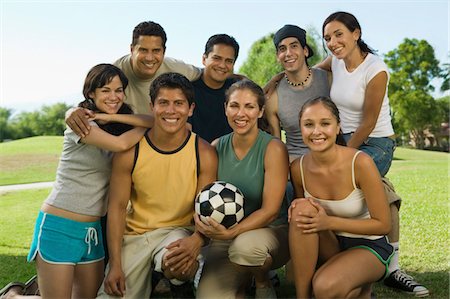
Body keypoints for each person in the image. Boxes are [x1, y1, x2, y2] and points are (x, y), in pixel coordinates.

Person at [8, 64, 152, 299]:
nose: (113, 96)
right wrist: (143, 127)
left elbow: (153, 119)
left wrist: (110, 115)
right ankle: (14, 296)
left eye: (119, 90)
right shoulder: (80, 123)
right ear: (91, 93)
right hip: (59, 225)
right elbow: (122, 144)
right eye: (105, 90)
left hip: (92, 232)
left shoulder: (116, 123)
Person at [316, 11, 428, 297]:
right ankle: (350, 265)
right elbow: (313, 70)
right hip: (344, 140)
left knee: (369, 185)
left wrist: (342, 157)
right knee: (347, 186)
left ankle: (391, 267)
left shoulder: (376, 69)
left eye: (339, 34)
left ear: (357, 33)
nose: (333, 42)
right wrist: (277, 78)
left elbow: (367, 123)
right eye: (327, 37)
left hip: (377, 142)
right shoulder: (337, 61)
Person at [96, 72, 217, 298]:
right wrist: (115, 264)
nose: (171, 111)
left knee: (180, 263)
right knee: (113, 293)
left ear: (190, 109)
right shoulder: (130, 152)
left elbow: (205, 209)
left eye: (178, 103)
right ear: (152, 106)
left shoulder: (204, 153)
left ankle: (178, 285)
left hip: (178, 231)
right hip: (136, 236)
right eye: (163, 103)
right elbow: (117, 208)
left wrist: (197, 240)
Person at [289, 96, 393, 298]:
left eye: (325, 123)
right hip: (330, 244)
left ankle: (357, 283)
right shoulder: (297, 168)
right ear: (300, 129)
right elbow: (306, 224)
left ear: (338, 127)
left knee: (324, 287)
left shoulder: (360, 163)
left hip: (368, 246)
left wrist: (328, 222)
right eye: (308, 124)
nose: (316, 131)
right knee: (301, 209)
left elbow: (383, 225)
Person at [195, 80, 290, 299]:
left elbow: (271, 210)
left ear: (260, 111)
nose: (241, 113)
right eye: (234, 105)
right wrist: (208, 231)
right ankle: (241, 283)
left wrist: (232, 232)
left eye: (249, 106)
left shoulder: (273, 148)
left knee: (244, 249)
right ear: (225, 108)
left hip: (270, 232)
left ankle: (262, 279)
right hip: (225, 236)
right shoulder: (217, 146)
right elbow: (203, 197)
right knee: (208, 297)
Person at [67, 21, 202, 137]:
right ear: (132, 49)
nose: (149, 58)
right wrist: (71, 112)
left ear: (163, 51)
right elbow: (95, 98)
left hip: (161, 133)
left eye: (156, 51)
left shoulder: (177, 68)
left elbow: (210, 73)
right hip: (129, 137)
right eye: (143, 50)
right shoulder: (115, 73)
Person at [265, 24, 330, 162]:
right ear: (278, 56)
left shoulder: (328, 80)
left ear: (305, 51)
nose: (288, 53)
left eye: (294, 46)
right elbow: (277, 145)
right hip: (295, 165)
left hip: (331, 159)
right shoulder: (273, 98)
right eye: (282, 49)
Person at [189, 34, 240, 143]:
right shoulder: (188, 90)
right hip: (195, 155)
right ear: (204, 59)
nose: (222, 65)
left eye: (228, 61)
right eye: (217, 58)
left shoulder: (238, 91)